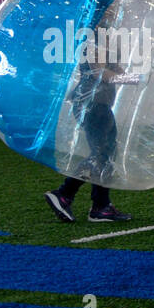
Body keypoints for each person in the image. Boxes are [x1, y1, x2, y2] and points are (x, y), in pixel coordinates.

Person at [44, 49, 135, 224]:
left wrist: (134, 76)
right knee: (101, 154)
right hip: (92, 103)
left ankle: (100, 206)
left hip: (100, 103)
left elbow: (112, 67)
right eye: (109, 18)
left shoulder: (106, 36)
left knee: (106, 154)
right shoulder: (95, 38)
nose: (113, 18)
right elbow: (102, 73)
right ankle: (65, 194)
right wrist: (133, 79)